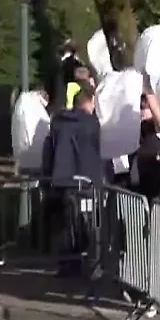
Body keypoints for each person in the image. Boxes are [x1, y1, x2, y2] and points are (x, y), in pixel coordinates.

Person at [41, 82, 104, 277]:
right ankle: (89, 262)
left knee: (65, 224)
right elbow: (94, 152)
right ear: (90, 100)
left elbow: (49, 149)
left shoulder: (57, 122)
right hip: (84, 180)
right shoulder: (91, 123)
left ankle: (67, 264)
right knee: (87, 224)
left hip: (60, 179)